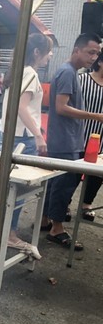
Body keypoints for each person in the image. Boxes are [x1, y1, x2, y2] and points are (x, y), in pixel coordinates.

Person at [0, 33, 53, 256]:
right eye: (47, 51)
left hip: (11, 134)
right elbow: (21, 106)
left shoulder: (17, 72)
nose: (49, 55)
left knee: (4, 185)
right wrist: (37, 134)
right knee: (17, 188)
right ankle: (9, 234)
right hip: (22, 138)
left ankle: (0, 226)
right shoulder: (30, 73)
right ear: (37, 52)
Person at [41, 33, 103, 251]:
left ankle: (45, 220)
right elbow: (60, 107)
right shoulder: (67, 72)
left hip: (67, 138)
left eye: (96, 53)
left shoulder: (71, 72)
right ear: (77, 49)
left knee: (55, 183)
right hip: (65, 141)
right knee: (63, 186)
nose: (94, 57)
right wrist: (96, 116)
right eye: (90, 52)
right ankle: (56, 229)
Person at [76, 52, 103, 221]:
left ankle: (86, 204)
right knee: (73, 173)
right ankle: (63, 205)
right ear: (100, 62)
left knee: (97, 174)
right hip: (81, 134)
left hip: (101, 137)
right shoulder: (82, 80)